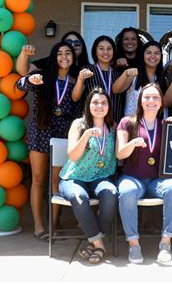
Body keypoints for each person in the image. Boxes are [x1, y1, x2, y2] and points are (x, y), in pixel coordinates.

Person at [17, 42, 81, 241]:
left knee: (56, 181)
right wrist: (30, 79)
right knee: (37, 179)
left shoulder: (75, 80)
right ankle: (38, 226)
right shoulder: (42, 76)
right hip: (41, 132)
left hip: (63, 134)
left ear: (73, 57)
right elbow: (19, 84)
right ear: (54, 57)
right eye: (59, 53)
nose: (64, 57)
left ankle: (52, 225)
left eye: (68, 53)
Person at [116, 84, 172, 263]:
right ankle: (134, 244)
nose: (151, 101)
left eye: (155, 97)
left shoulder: (167, 125)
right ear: (140, 101)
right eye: (146, 97)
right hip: (132, 178)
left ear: (162, 102)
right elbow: (120, 154)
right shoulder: (127, 122)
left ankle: (165, 242)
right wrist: (132, 144)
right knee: (127, 192)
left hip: (156, 181)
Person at [58, 88, 118, 264]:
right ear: (88, 105)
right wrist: (86, 135)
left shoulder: (113, 126)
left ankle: (93, 241)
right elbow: (73, 156)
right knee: (79, 197)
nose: (99, 106)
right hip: (74, 177)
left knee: (111, 193)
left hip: (100, 177)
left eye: (103, 102)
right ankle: (99, 244)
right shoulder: (79, 124)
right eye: (95, 102)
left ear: (108, 106)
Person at [71, 35, 132, 124]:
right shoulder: (88, 70)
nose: (105, 52)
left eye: (109, 49)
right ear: (95, 51)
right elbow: (75, 97)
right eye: (101, 48)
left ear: (114, 51)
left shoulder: (119, 73)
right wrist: (80, 79)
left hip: (115, 123)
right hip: (92, 123)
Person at [113, 40, 167, 116]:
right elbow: (115, 90)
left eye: (156, 53)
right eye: (148, 53)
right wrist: (125, 74)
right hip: (132, 124)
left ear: (161, 56)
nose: (152, 56)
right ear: (143, 55)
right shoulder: (134, 74)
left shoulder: (163, 79)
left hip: (153, 125)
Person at [16, 31, 90, 78]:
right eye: (69, 42)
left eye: (77, 43)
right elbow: (24, 71)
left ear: (82, 46)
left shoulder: (88, 68)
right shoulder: (50, 61)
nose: (73, 45)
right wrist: (24, 54)